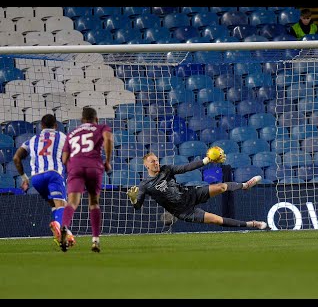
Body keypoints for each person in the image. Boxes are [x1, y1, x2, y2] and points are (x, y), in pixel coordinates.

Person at [126, 152, 268, 230]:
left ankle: (245, 185)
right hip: (183, 211)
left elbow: (186, 168)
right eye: (152, 162)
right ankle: (252, 224)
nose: (156, 163)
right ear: (146, 166)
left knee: (221, 187)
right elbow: (138, 207)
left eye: (157, 160)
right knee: (216, 220)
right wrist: (134, 200)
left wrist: (206, 160)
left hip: (190, 194)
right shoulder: (145, 185)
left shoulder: (166, 169)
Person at [12, 113, 76, 247]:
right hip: (53, 174)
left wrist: (25, 178)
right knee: (62, 205)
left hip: (36, 179)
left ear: (41, 126)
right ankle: (59, 226)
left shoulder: (32, 140)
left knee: (54, 205)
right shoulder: (62, 137)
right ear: (56, 125)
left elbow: (16, 158)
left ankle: (65, 234)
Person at [60, 107, 113, 253]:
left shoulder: (71, 134)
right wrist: (107, 160)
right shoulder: (101, 127)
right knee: (94, 202)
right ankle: (95, 240)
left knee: (72, 202)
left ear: (82, 120)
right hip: (93, 166)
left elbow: (64, 158)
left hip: (75, 167)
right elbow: (108, 138)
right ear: (96, 119)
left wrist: (73, 166)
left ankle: (64, 226)